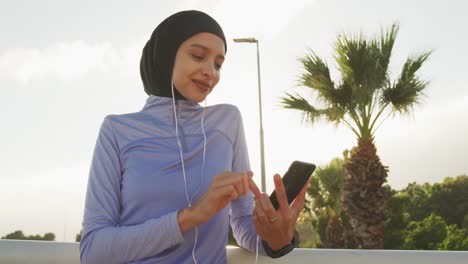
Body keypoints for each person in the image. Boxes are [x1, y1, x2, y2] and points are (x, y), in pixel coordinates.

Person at [80, 10, 309, 264]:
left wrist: (275, 238)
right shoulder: (117, 131)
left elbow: (244, 226)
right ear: (167, 56)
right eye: (198, 56)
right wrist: (191, 216)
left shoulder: (227, 121)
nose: (210, 71)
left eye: (218, 64)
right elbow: (93, 250)